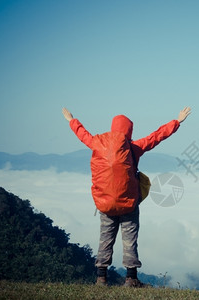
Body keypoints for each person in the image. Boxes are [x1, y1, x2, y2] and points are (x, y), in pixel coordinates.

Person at [62, 106, 191, 287]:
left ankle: (101, 278)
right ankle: (131, 279)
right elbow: (156, 136)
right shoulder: (133, 148)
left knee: (105, 239)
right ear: (128, 131)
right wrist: (177, 121)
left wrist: (71, 120)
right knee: (130, 239)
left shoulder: (97, 143)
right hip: (129, 203)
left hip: (105, 204)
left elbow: (83, 135)